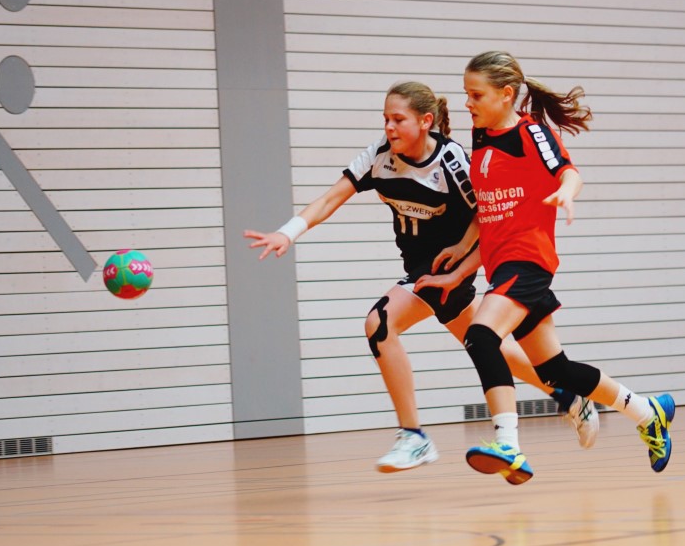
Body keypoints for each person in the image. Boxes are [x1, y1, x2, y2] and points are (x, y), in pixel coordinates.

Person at [244, 80, 599, 473]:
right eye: (386, 119)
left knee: (379, 324)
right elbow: (330, 198)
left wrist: (463, 264)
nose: (389, 127)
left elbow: (488, 215)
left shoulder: (452, 162)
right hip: (420, 270)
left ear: (425, 121)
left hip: (445, 269)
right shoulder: (380, 156)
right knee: (494, 351)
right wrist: (287, 232)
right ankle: (569, 395)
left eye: (398, 119)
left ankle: (414, 437)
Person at [418, 51, 675, 485]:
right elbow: (492, 214)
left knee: (481, 336)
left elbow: (569, 172)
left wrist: (567, 192)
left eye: (476, 95)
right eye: (466, 94)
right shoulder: (481, 134)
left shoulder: (531, 132)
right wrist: (460, 265)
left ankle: (508, 444)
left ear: (505, 94)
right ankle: (648, 411)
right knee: (556, 369)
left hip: (528, 259)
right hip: (502, 265)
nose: (467, 103)